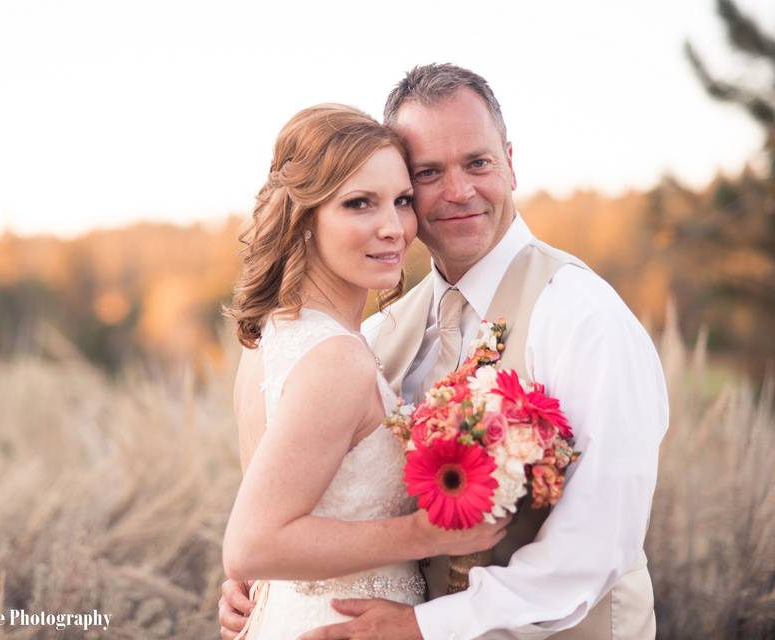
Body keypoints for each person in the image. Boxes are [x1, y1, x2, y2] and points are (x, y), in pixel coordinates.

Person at [220, 65, 668, 640]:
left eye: (477, 163)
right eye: (428, 173)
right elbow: (301, 506)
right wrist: (265, 586)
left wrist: (425, 626)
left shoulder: (582, 315)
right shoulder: (377, 334)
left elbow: (596, 542)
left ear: (510, 161)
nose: (458, 192)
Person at [221, 104, 511, 639]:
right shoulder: (335, 358)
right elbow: (254, 542)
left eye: (401, 201)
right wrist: (431, 534)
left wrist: (252, 583)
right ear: (302, 219)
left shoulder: (273, 339)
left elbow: (271, 515)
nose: (394, 228)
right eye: (359, 204)